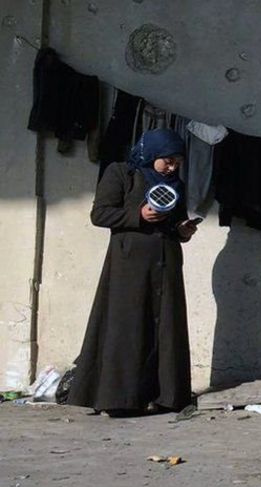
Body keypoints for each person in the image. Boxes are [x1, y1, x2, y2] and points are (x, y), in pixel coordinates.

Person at [69, 128, 199, 416]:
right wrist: (137, 215)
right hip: (129, 265)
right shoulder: (121, 173)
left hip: (166, 262)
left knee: (165, 327)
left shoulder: (175, 184)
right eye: (167, 161)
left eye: (177, 162)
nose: (172, 167)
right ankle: (120, 400)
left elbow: (175, 221)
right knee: (127, 326)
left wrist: (183, 230)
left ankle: (166, 397)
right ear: (151, 153)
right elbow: (100, 214)